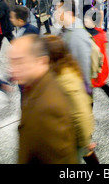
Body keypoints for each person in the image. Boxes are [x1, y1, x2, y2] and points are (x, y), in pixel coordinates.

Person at [9, 35, 78, 164]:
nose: (12, 70)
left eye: (19, 62)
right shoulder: (35, 85)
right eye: (11, 62)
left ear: (41, 61)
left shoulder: (48, 107)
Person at [41, 35, 95, 159]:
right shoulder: (59, 70)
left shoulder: (65, 79)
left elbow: (81, 114)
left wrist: (85, 141)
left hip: (70, 137)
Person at [84, 9, 109, 110]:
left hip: (96, 68)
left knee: (91, 90)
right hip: (94, 67)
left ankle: (88, 113)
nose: (85, 21)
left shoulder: (97, 36)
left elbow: (97, 56)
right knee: (100, 86)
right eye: (85, 19)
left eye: (87, 20)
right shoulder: (95, 33)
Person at [54, 0, 92, 95]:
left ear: (69, 14)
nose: (55, 15)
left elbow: (84, 69)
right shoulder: (65, 29)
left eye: (58, 12)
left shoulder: (77, 35)